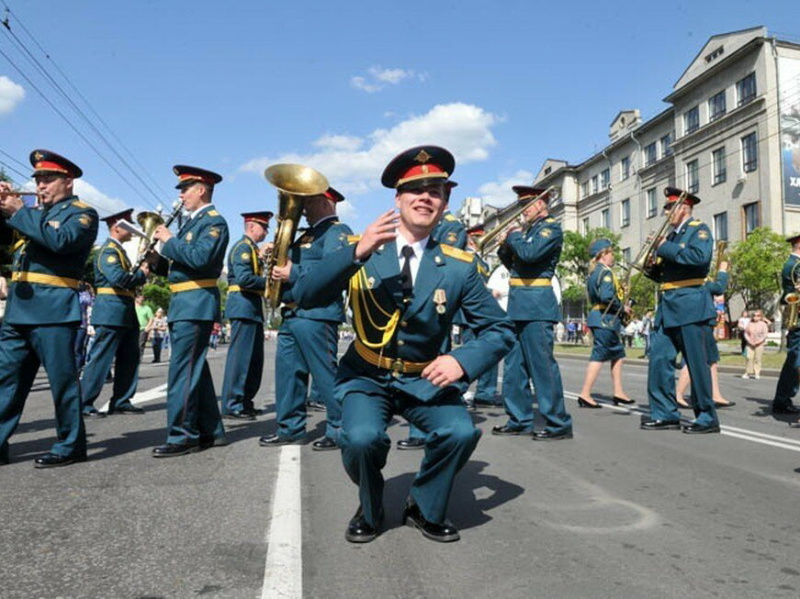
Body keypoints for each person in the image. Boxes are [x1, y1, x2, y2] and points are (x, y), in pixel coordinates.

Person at [290, 145, 515, 543]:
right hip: (366, 375)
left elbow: (500, 330)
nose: (425, 197)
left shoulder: (459, 267)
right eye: (415, 190)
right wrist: (356, 253)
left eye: (435, 191)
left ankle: (422, 505)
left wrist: (461, 362)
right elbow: (305, 294)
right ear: (398, 199)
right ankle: (371, 506)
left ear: (444, 204)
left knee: (460, 432)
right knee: (360, 439)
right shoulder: (362, 247)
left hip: (422, 377)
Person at [0, 149, 98, 467]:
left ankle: (70, 444)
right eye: (38, 179)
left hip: (53, 310)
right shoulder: (33, 214)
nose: (40, 185)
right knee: (6, 380)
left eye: (48, 179)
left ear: (68, 181)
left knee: (62, 382)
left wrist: (19, 212)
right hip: (18, 310)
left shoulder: (82, 214)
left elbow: (61, 242)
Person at [259, 186, 353, 451]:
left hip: (317, 314)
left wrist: (294, 271)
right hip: (293, 312)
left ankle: (340, 429)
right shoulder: (307, 235)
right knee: (288, 374)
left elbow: (334, 269)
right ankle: (290, 428)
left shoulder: (337, 231)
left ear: (324, 202)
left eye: (308, 203)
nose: (303, 210)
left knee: (326, 376)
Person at [149, 165, 229, 457]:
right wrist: (156, 261)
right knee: (195, 369)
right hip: (185, 302)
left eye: (185, 189)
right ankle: (211, 431)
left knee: (183, 371)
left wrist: (170, 241)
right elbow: (181, 267)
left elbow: (199, 259)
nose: (181, 195)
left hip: (196, 303)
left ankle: (183, 435)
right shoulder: (192, 224)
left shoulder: (214, 222)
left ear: (201, 190)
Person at [492, 186, 573, 440]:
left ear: (541, 204)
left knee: (542, 368)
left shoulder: (550, 229)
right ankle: (519, 419)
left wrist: (514, 236)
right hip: (518, 304)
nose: (523, 211)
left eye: (527, 205)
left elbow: (530, 254)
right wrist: (505, 245)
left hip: (537, 305)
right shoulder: (529, 232)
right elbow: (514, 265)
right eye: (521, 206)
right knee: (514, 368)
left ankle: (558, 423)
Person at [642, 187, 718, 434]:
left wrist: (664, 247)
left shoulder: (699, 230)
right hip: (668, 306)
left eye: (669, 208)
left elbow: (698, 259)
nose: (666, 213)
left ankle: (706, 417)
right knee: (659, 360)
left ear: (684, 208)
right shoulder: (672, 237)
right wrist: (651, 266)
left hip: (690, 305)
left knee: (696, 364)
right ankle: (665, 413)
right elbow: (666, 275)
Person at [397, 198, 468, 449]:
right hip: (415, 298)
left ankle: (427, 429)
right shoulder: (431, 224)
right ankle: (424, 425)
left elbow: (442, 259)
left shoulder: (452, 226)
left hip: (435, 300)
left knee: (432, 364)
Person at [80, 209, 149, 418]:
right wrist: (141, 274)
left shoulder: (119, 251)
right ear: (117, 228)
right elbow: (119, 279)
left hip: (124, 311)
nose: (132, 230)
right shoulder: (108, 251)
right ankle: (83, 402)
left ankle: (121, 400)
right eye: (128, 226)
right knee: (101, 359)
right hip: (111, 311)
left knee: (129, 358)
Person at [219, 210, 273, 420]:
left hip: (251, 308)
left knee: (253, 360)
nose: (266, 232)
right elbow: (244, 279)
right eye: (263, 227)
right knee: (240, 360)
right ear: (251, 226)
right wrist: (271, 282)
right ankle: (232, 404)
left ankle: (245, 402)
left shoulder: (251, 249)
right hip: (243, 307)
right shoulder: (242, 248)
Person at [575, 238, 634, 409]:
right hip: (605, 318)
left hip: (599, 316)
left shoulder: (594, 273)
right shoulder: (605, 273)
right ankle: (585, 393)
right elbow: (606, 297)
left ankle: (618, 392)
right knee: (599, 354)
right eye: (610, 253)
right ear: (602, 255)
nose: (613, 256)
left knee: (618, 355)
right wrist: (622, 307)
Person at [676, 259, 734, 409]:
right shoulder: (697, 279)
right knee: (695, 360)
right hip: (701, 322)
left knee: (711, 360)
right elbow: (719, 287)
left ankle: (715, 394)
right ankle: (678, 394)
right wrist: (722, 270)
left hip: (705, 321)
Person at [773, 233, 800, 415]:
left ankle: (782, 399)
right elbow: (790, 296)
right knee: (794, 361)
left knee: (794, 361)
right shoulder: (795, 265)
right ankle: (782, 399)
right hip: (798, 318)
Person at [743, 309, 768, 379]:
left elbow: (765, 334)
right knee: (749, 357)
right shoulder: (749, 324)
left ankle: (757, 373)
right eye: (754, 315)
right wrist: (749, 340)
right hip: (750, 344)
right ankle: (748, 372)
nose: (756, 317)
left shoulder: (763, 324)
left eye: (758, 316)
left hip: (759, 344)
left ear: (760, 317)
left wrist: (759, 341)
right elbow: (746, 333)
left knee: (757, 358)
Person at [135, 294, 154, 359]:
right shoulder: (132, 307)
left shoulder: (147, 308)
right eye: (140, 298)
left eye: (143, 298)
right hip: (133, 328)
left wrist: (147, 327)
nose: (142, 299)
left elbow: (151, 319)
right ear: (136, 298)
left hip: (142, 329)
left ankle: (139, 358)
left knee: (140, 344)